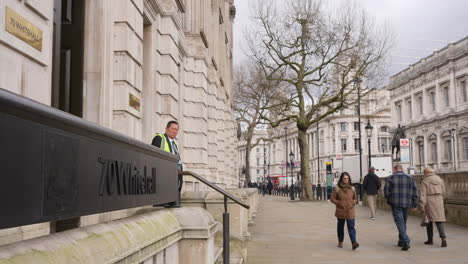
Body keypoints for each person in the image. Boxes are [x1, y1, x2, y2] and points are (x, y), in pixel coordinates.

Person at [384, 164, 418, 251]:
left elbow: (386, 192)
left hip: (395, 203)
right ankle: (401, 241)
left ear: (394, 170)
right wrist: (414, 204)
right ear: (402, 169)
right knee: (403, 222)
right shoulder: (410, 178)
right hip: (406, 203)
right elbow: (415, 192)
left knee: (399, 222)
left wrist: (389, 201)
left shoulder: (390, 178)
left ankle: (406, 240)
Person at [151, 121, 183, 207]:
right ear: (166, 128)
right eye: (173, 129)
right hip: (162, 172)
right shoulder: (159, 138)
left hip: (173, 172)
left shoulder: (174, 143)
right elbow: (153, 155)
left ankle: (172, 201)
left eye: (177, 130)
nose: (175, 131)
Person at [330, 172, 360, 250]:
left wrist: (352, 203)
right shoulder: (337, 188)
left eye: (347, 178)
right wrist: (339, 203)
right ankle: (340, 241)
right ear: (341, 179)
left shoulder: (352, 188)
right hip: (341, 210)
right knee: (340, 227)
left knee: (351, 227)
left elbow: (355, 199)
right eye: (344, 178)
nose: (346, 180)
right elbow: (332, 199)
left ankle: (354, 243)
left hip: (350, 210)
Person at [419, 168, 447, 247]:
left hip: (429, 201)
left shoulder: (424, 181)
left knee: (429, 221)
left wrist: (422, 205)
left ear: (425, 173)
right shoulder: (440, 180)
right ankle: (443, 238)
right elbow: (444, 191)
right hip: (439, 200)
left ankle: (430, 240)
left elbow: (422, 194)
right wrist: (441, 199)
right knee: (439, 220)